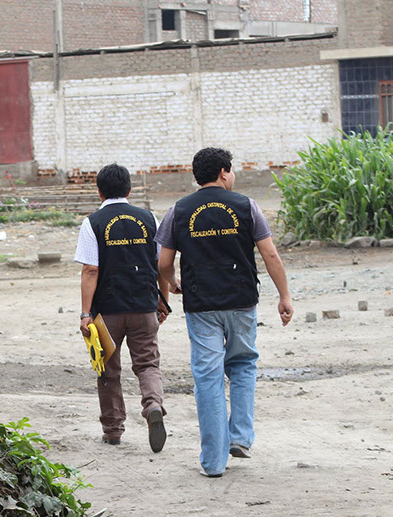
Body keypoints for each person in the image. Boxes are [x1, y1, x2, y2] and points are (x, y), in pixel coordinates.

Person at [155, 147, 294, 477]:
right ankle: (240, 437)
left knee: (208, 376)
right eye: (231, 171)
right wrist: (284, 296)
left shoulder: (178, 210)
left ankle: (214, 462)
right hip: (241, 300)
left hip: (201, 304)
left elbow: (163, 261)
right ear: (223, 172)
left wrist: (172, 283)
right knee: (243, 364)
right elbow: (270, 255)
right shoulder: (247, 206)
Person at [74, 163, 170, 452]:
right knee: (148, 364)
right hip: (144, 306)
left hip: (108, 312)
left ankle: (113, 429)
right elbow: (161, 265)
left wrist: (86, 314)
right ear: (129, 189)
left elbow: (91, 270)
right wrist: (162, 301)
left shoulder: (93, 222)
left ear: (99, 191)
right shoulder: (149, 218)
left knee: (108, 369)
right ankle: (153, 406)